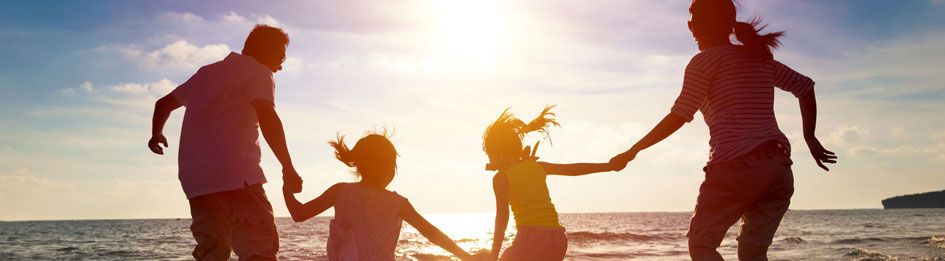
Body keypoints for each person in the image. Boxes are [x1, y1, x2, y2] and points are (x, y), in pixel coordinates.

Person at [609, 0, 838, 260]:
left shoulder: (703, 62)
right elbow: (805, 87)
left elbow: (680, 114)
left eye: (693, 18)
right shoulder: (757, 56)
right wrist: (810, 137)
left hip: (735, 165)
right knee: (752, 252)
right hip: (778, 169)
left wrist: (633, 150)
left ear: (692, 26)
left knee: (701, 246)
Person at [148, 24, 303, 260]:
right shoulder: (258, 71)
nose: (281, 66)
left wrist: (156, 134)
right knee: (259, 249)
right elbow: (267, 116)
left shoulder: (206, 73)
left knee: (213, 252)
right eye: (281, 57)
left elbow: (163, 104)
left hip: (196, 182)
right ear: (266, 51)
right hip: (236, 176)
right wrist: (288, 167)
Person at [283, 132, 482, 260]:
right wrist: (465, 256)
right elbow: (430, 232)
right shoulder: (397, 203)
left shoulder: (340, 191)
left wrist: (286, 187)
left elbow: (299, 213)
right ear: (387, 167)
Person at [481, 106, 618, 261]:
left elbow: (502, 217)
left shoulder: (501, 178)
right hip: (558, 239)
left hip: (531, 238)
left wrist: (493, 255)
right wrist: (608, 166)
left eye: (490, 155)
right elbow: (573, 169)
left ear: (498, 153)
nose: (490, 161)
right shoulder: (538, 166)